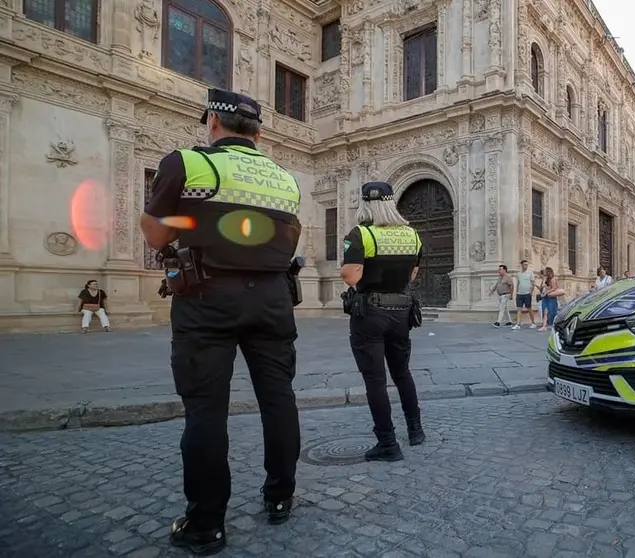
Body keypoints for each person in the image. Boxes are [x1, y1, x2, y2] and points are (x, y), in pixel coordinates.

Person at [139, 88, 303, 555]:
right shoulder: (285, 178)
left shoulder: (188, 164)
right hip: (273, 297)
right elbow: (286, 236)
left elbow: (155, 231)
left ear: (212, 122)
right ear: (260, 132)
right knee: (278, 398)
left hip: (207, 295)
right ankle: (280, 497)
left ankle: (206, 524)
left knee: (206, 411)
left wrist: (195, 223)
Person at [340, 181, 425, 462]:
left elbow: (351, 276)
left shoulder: (361, 233)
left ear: (365, 204)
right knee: (403, 374)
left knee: (376, 380)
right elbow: (412, 275)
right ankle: (416, 431)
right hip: (401, 313)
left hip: (370, 315)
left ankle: (388, 443)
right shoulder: (412, 235)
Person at [511, 260, 537, 330]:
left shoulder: (530, 273)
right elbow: (518, 283)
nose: (526, 266)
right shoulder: (518, 274)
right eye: (524, 264)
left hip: (527, 293)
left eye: (527, 265)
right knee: (519, 308)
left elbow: (533, 283)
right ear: (521, 265)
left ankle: (533, 323)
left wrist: (531, 292)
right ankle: (518, 324)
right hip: (520, 293)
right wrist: (516, 292)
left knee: (529, 308)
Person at [538, 267, 564, 331]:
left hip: (551, 297)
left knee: (552, 311)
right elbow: (542, 287)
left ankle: (552, 324)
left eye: (545, 271)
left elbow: (554, 288)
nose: (544, 272)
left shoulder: (552, 279)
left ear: (548, 272)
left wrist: (547, 292)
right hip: (545, 297)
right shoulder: (545, 279)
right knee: (545, 311)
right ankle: (544, 325)